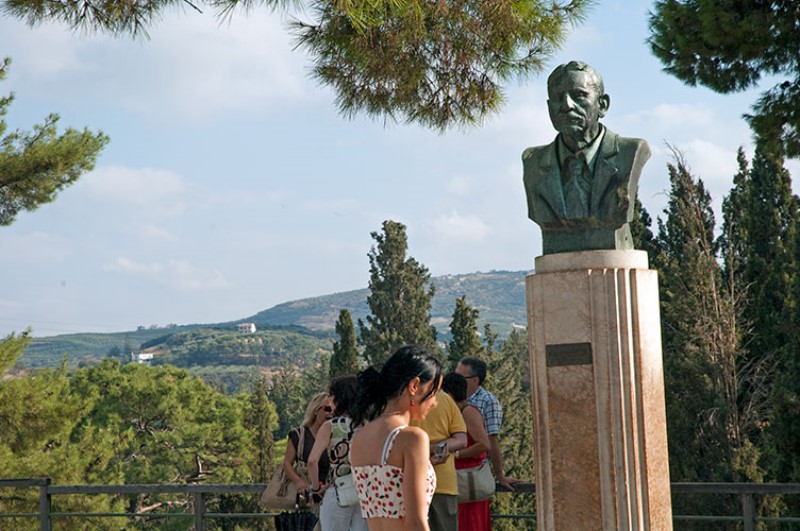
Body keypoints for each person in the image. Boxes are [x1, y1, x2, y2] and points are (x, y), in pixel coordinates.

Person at [522, 60, 651, 254]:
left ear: (603, 105)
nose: (566, 105)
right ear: (549, 107)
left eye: (579, 95)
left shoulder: (630, 152)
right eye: (558, 98)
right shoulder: (534, 162)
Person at [349, 345, 443, 531]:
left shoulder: (360, 438)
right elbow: (415, 521)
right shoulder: (412, 438)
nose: (435, 403)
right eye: (434, 393)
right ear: (414, 386)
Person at [308, 375, 368, 531]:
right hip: (364, 493)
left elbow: (312, 461)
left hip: (338, 491)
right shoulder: (368, 425)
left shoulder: (331, 426)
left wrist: (316, 489)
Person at [455, 356, 521, 491]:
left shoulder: (488, 402)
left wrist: (499, 475)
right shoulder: (450, 398)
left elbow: (492, 440)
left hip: (472, 473)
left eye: (460, 377)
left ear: (475, 380)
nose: (456, 380)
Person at [441, 372, 491, 531]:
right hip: (462, 482)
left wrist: (456, 454)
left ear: (449, 394)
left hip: (469, 480)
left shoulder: (468, 412)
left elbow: (484, 444)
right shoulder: (458, 413)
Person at [413, 389, 467, 531]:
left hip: (409, 481)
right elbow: (461, 440)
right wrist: (436, 448)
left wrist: (423, 449)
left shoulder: (399, 400)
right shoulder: (445, 399)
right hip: (443, 482)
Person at [282, 392, 334, 507]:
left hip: (330, 497)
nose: (331, 413)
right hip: (305, 497)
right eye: (327, 409)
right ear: (315, 410)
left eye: (334, 410)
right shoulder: (298, 435)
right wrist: (298, 481)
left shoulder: (335, 438)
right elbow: (287, 463)